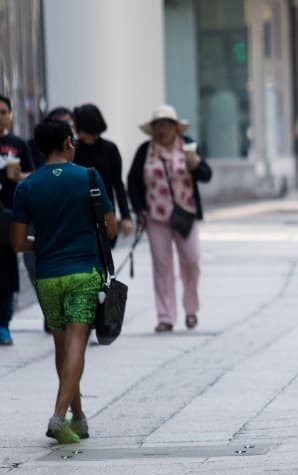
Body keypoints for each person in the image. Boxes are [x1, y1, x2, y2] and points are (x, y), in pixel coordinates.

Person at [10, 118, 117, 443]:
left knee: (63, 346)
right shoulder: (88, 177)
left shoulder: (27, 187)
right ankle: (59, 416)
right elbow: (110, 229)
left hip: (48, 277)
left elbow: (18, 243)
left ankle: (80, 417)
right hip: (84, 272)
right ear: (69, 142)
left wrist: (44, 243)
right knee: (76, 346)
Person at [127, 104, 212, 333]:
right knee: (162, 265)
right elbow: (133, 181)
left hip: (186, 214)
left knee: (192, 261)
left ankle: (191, 309)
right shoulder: (146, 150)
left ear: (176, 128)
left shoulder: (188, 146)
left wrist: (195, 165)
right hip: (156, 216)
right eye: (158, 125)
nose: (162, 130)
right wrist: (138, 209)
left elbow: (206, 175)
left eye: (167, 125)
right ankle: (165, 316)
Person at [0, 94, 36, 346]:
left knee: (7, 270)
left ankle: (4, 323)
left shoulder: (18, 144)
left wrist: (18, 177)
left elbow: (33, 176)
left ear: (11, 115)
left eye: (3, 111)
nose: (0, 116)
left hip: (9, 216)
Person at [73, 104, 132, 245]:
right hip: (79, 210)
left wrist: (126, 216)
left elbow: (118, 184)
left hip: (105, 210)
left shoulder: (109, 149)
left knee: (104, 256)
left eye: (76, 123)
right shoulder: (73, 148)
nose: (74, 127)